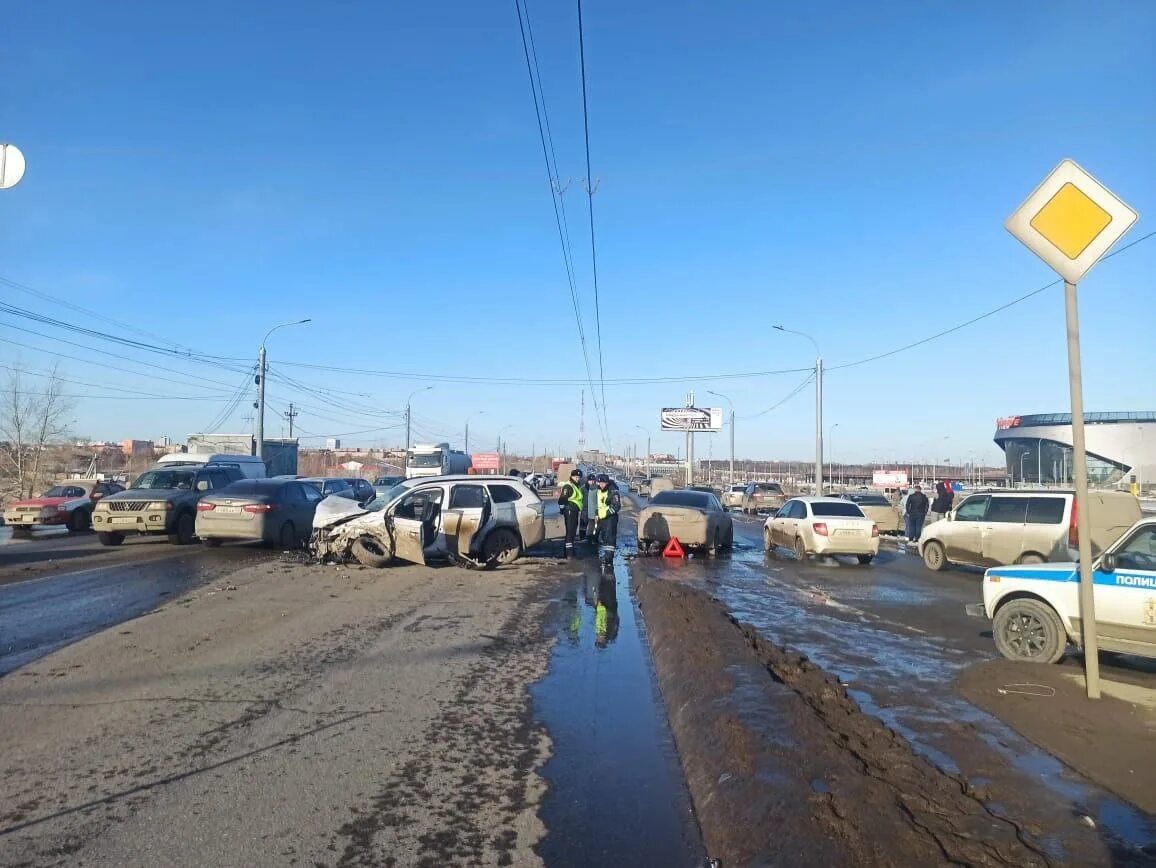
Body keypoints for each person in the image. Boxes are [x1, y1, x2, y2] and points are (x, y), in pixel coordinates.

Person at [595, 473, 621, 567]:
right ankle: (606, 556)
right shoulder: (599, 490)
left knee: (610, 538)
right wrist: (597, 514)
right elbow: (598, 504)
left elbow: (616, 506)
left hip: (610, 518)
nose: (601, 485)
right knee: (604, 537)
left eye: (603, 483)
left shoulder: (612, 490)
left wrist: (605, 513)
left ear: (607, 483)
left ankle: (609, 559)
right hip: (602, 518)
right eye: (600, 483)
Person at [557, 468, 584, 559]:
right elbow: (562, 499)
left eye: (579, 477)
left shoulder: (576, 485)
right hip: (570, 510)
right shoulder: (568, 486)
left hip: (574, 510)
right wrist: (562, 510)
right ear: (572, 477)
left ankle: (568, 551)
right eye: (576, 477)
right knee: (570, 531)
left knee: (572, 532)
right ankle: (569, 554)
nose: (578, 479)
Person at [580, 473, 599, 548]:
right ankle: (582, 537)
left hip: (593, 508)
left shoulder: (596, 488)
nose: (592, 482)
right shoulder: (583, 488)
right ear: (587, 481)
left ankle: (591, 538)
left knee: (593, 525)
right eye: (590, 481)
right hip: (585, 508)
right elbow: (579, 497)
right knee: (583, 524)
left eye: (593, 480)